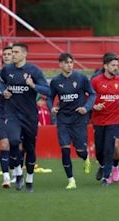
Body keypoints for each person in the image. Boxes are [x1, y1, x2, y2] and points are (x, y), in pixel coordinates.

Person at [0, 43, 50, 192]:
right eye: (12, 52)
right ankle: (18, 173)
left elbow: (47, 90)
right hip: (12, 113)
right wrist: (4, 91)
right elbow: (0, 83)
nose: (13, 55)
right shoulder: (7, 70)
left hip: (29, 115)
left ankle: (29, 180)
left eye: (16, 52)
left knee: (30, 148)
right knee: (14, 141)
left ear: (24, 54)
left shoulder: (34, 71)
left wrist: (33, 85)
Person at [49, 53, 95, 189]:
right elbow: (50, 97)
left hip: (78, 119)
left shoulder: (81, 78)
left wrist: (86, 108)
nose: (69, 65)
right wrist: (52, 107)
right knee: (65, 149)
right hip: (63, 119)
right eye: (66, 62)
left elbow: (92, 94)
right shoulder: (56, 81)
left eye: (71, 62)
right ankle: (71, 180)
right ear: (60, 64)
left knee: (80, 150)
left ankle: (85, 157)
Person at [91, 53, 119, 186]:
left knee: (111, 147)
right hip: (98, 120)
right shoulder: (95, 81)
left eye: (117, 65)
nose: (116, 68)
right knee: (99, 150)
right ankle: (104, 165)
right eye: (113, 65)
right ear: (105, 66)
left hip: (114, 120)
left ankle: (108, 175)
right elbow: (87, 97)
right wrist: (94, 106)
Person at [0, 46, 14, 187]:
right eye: (4, 54)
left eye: (9, 54)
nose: (6, 56)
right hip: (2, 114)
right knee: (4, 143)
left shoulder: (22, 74)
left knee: (17, 145)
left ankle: (15, 172)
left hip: (17, 114)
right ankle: (6, 177)